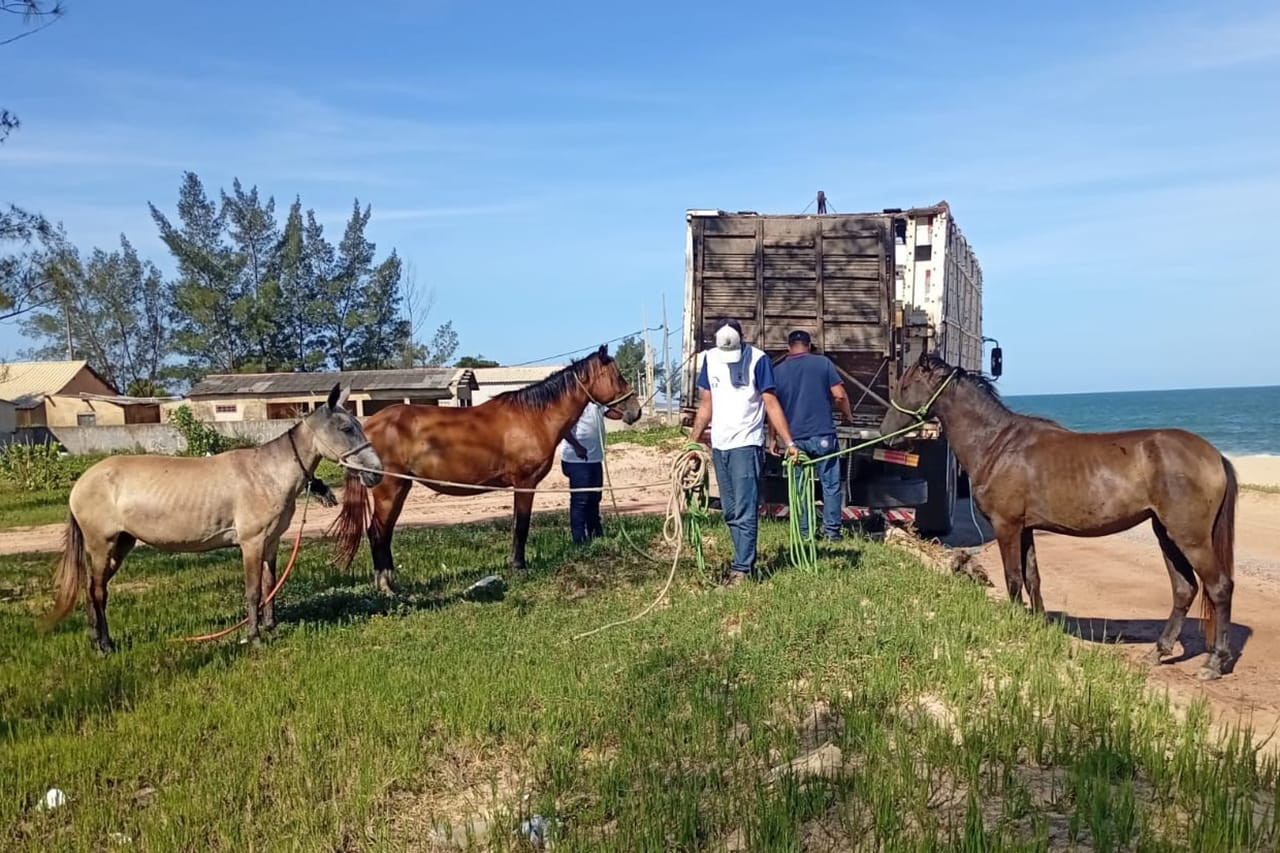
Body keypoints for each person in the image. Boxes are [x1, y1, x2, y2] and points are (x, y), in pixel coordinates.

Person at [687, 317, 799, 585]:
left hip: (746, 444)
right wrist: (692, 441)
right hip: (720, 444)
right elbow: (706, 403)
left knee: (745, 508)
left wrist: (789, 442)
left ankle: (742, 568)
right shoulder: (710, 359)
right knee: (729, 508)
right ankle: (742, 559)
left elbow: (770, 403)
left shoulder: (759, 360)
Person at [771, 330, 855, 541]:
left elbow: (772, 410)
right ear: (808, 346)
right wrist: (847, 415)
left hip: (794, 440)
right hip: (823, 436)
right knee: (831, 485)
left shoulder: (777, 371)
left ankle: (805, 533)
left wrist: (773, 438)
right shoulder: (823, 364)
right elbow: (839, 395)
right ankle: (832, 533)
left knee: (800, 487)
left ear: (789, 347)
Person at [559, 401, 608, 545]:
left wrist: (627, 411)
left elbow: (611, 413)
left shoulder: (598, 402)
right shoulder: (575, 402)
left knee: (595, 499)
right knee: (581, 501)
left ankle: (595, 533)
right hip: (577, 460)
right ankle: (579, 539)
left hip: (595, 458)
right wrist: (576, 446)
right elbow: (562, 427)